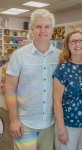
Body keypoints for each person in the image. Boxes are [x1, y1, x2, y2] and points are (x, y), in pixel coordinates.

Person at [5, 9, 61, 150]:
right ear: (32, 29)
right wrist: (13, 120)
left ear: (52, 30)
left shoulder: (60, 56)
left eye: (47, 26)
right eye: (38, 26)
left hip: (49, 122)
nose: (43, 30)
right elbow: (10, 89)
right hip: (24, 122)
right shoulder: (19, 55)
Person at [53, 30, 82, 150]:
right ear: (67, 45)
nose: (77, 45)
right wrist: (61, 129)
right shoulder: (62, 69)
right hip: (68, 125)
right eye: (73, 42)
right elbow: (57, 101)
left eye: (80, 41)